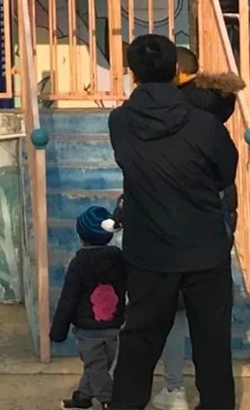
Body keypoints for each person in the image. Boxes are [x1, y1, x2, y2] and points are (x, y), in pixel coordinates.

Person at [108, 34, 238, 410]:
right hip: (205, 252)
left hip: (149, 255)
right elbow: (224, 173)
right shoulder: (202, 124)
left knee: (138, 345)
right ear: (176, 71)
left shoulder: (120, 122)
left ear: (133, 73)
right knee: (212, 348)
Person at [146, 46, 245, 410]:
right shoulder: (215, 105)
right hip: (215, 223)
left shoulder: (176, 110)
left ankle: (173, 389)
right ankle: (215, 399)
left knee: (172, 317)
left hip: (178, 224)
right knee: (211, 329)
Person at [50, 205, 127, 410]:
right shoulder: (120, 260)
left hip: (88, 330)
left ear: (82, 236)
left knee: (95, 366)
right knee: (99, 366)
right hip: (113, 326)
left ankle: (109, 401)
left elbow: (68, 299)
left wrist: (58, 331)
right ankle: (83, 398)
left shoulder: (79, 263)